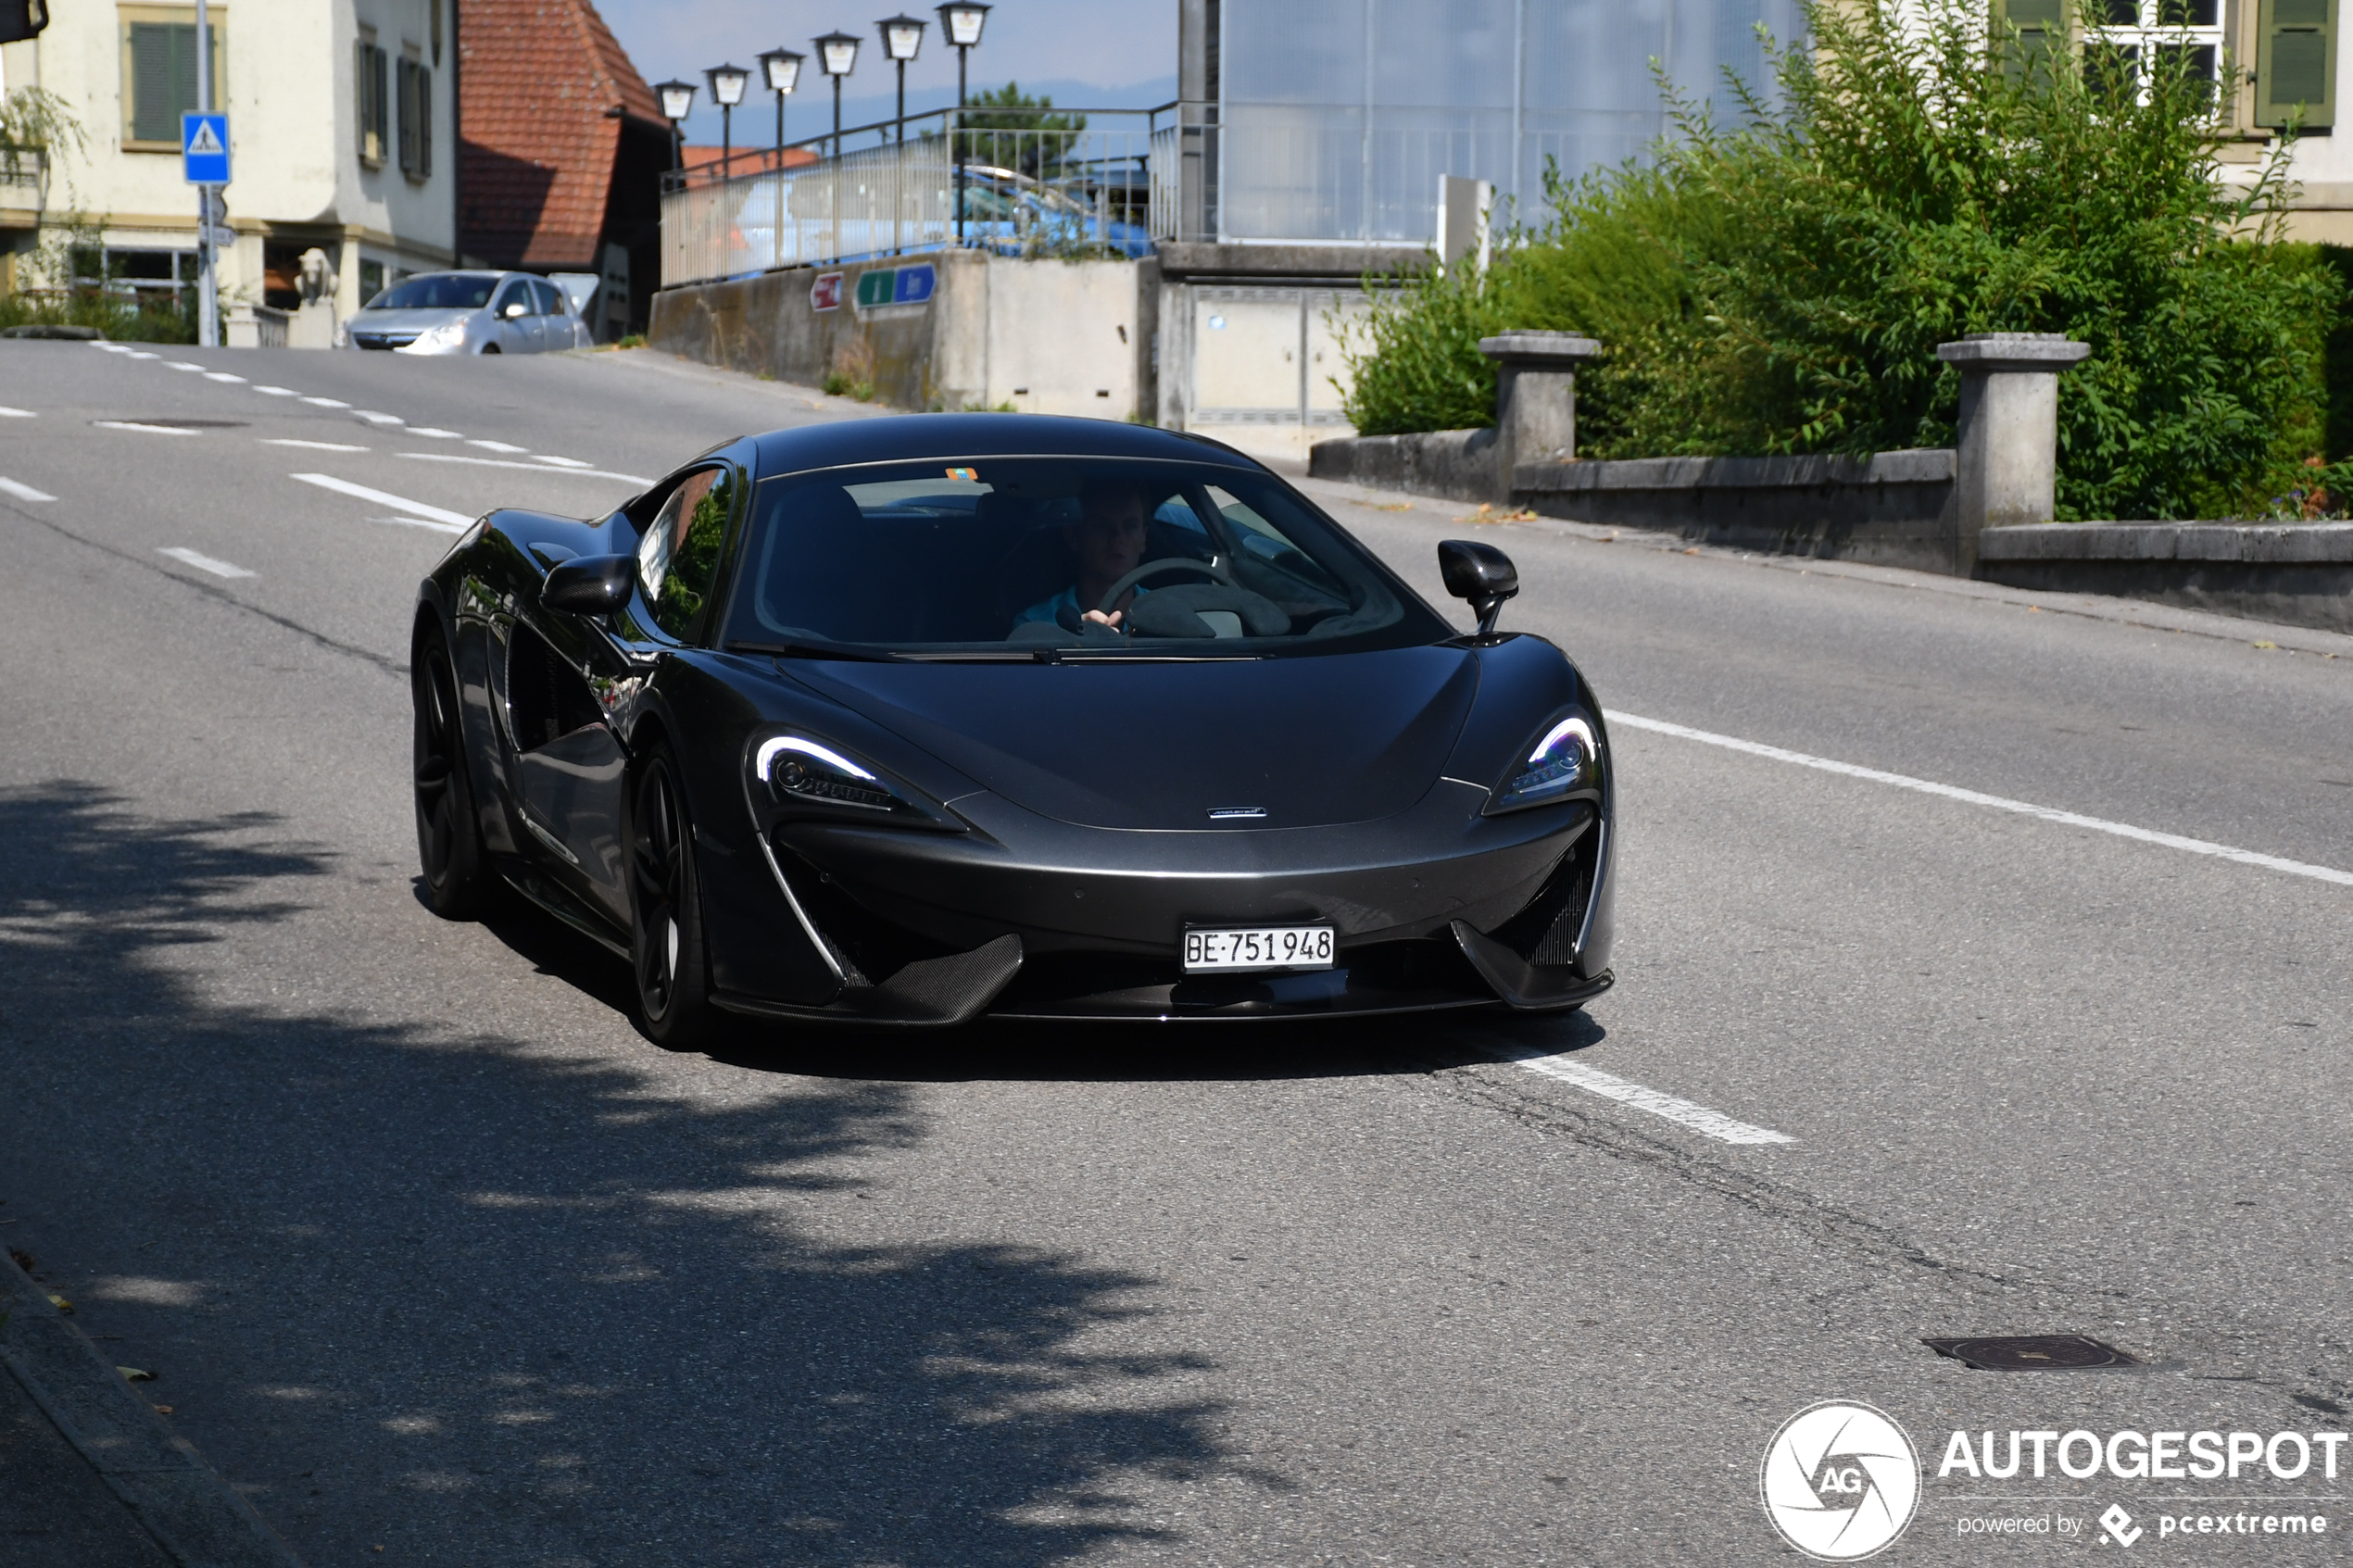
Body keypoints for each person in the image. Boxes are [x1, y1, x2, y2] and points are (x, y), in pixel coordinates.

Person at [1013, 481, 1155, 632]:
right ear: (1073, 536)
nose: (1118, 537)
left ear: (1143, 539)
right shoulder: (1036, 626)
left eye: (1130, 526)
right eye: (1102, 526)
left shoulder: (1170, 614)